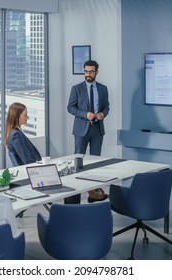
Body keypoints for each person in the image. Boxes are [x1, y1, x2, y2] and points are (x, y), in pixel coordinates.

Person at [67, 60, 110, 203]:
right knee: (79, 163)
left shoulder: (103, 89)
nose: (88, 74)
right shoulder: (77, 88)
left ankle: (93, 191)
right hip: (81, 130)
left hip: (97, 129)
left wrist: (103, 114)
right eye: (86, 71)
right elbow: (70, 107)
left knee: (95, 162)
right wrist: (85, 114)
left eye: (91, 71)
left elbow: (106, 107)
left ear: (97, 72)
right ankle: (77, 194)